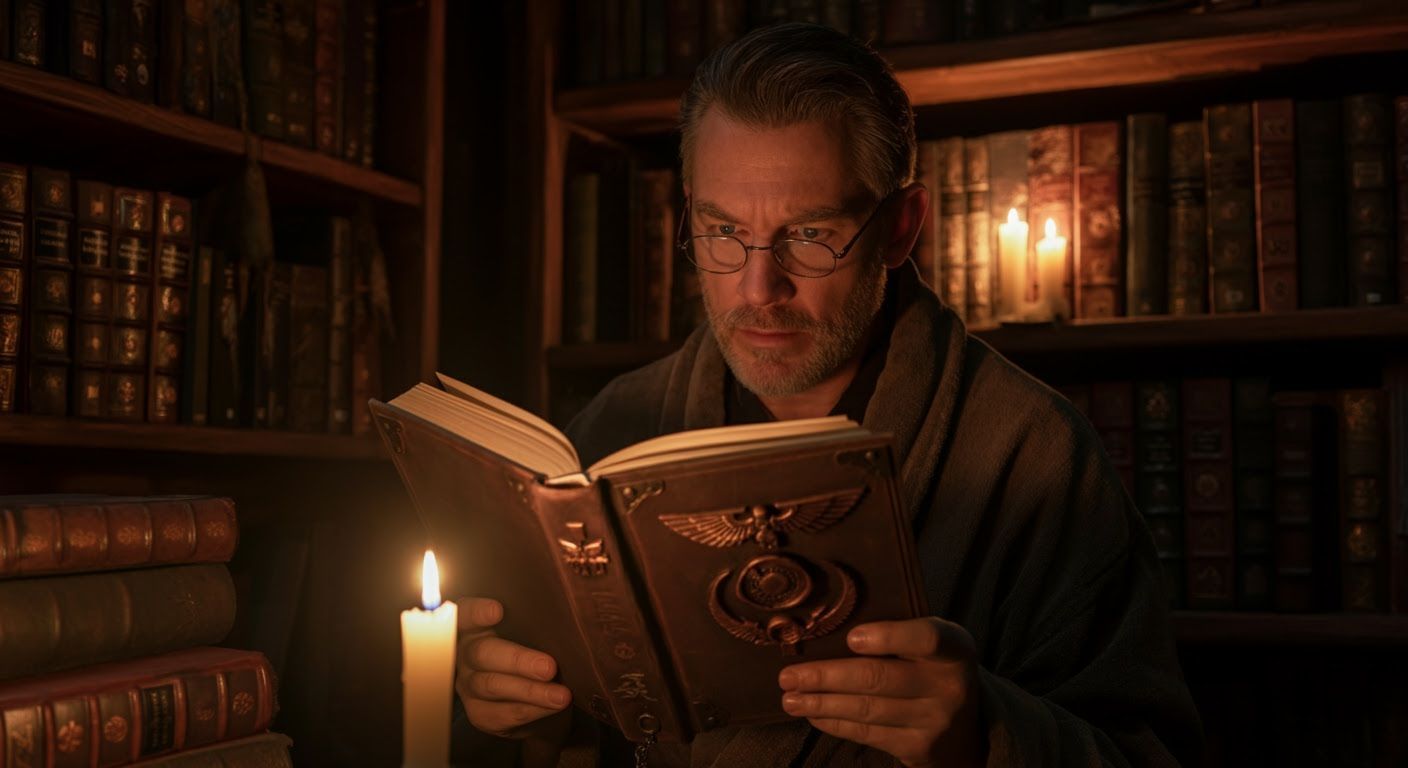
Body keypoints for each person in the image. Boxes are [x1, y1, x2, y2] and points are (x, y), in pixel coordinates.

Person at [454, 22, 1202, 768]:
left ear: (900, 228)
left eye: (810, 235)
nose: (758, 289)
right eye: (722, 230)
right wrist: (525, 710)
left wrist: (982, 736)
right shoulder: (615, 430)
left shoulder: (1036, 457)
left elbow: (1150, 757)